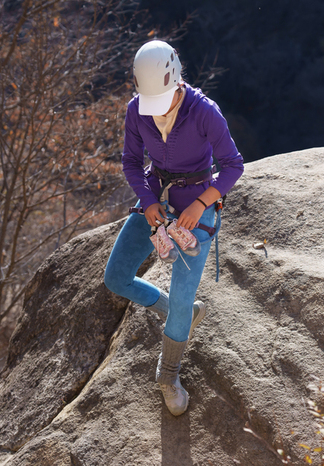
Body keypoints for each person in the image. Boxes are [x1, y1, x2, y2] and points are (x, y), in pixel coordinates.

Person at [104, 40, 244, 416]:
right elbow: (132, 163)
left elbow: (233, 166)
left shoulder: (204, 113)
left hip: (197, 202)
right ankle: (177, 314)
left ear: (176, 80)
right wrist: (148, 203)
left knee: (184, 298)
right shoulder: (138, 109)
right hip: (156, 198)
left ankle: (168, 375)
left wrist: (201, 205)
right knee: (116, 277)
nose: (157, 109)